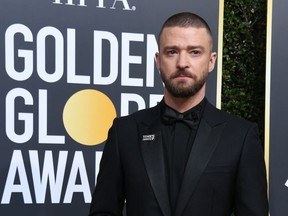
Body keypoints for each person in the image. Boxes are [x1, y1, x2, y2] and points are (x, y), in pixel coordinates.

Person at [89, 12, 268, 216]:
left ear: (211, 61)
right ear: (158, 60)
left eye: (194, 52)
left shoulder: (240, 136)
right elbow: (103, 211)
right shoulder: (125, 132)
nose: (182, 63)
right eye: (172, 52)